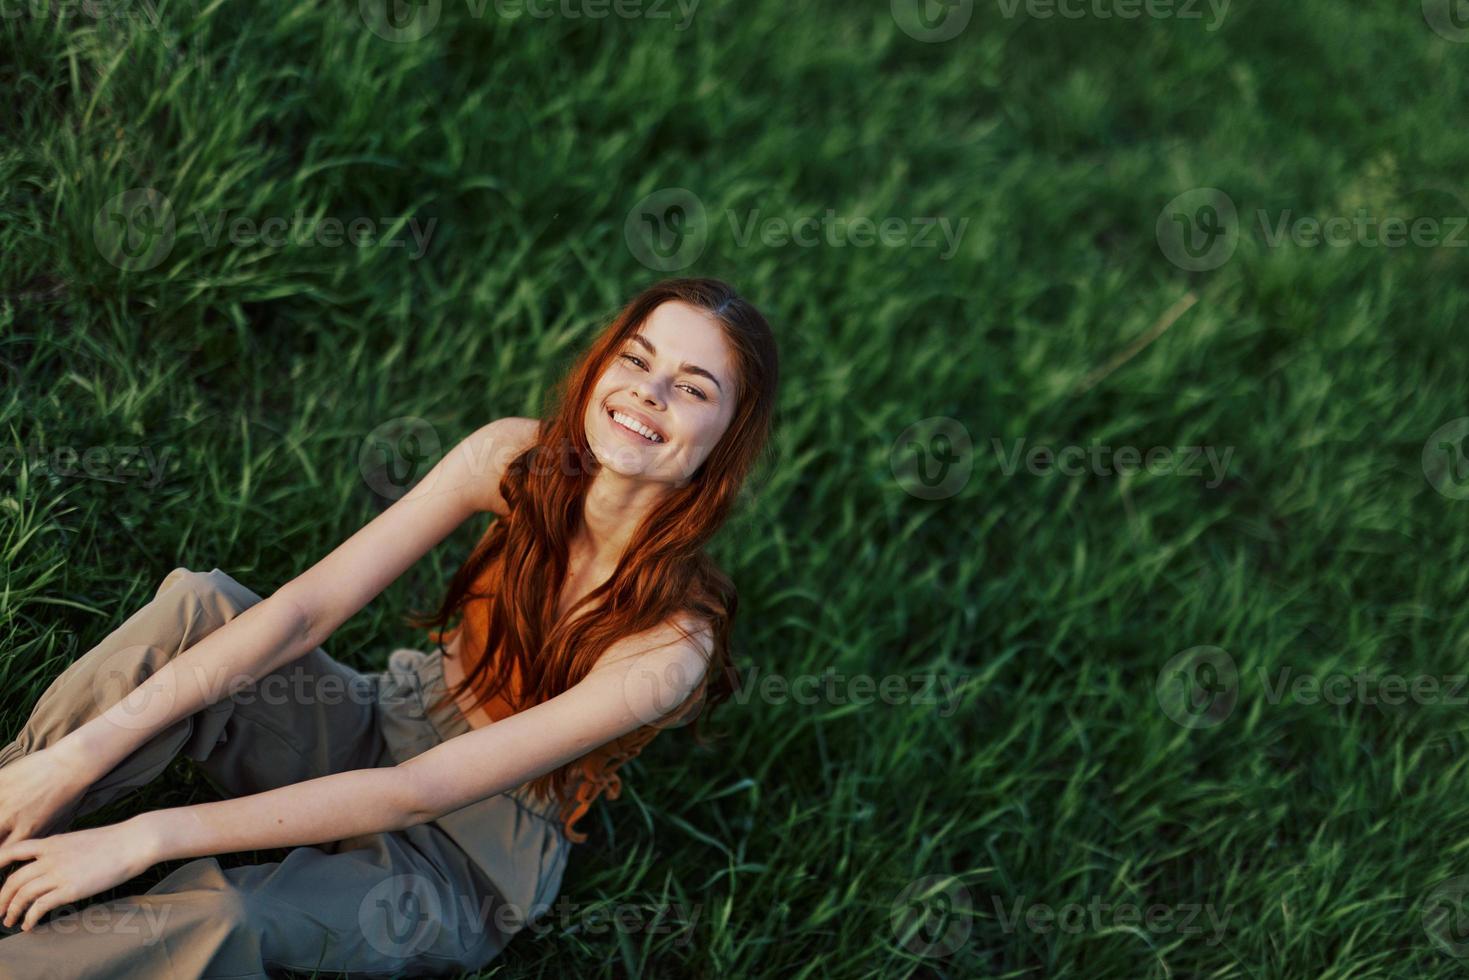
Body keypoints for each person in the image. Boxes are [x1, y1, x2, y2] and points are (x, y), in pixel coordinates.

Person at [0, 277, 780, 977]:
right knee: (203, 608)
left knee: (226, 916)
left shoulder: (670, 645)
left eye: (692, 388)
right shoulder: (514, 459)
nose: (648, 393)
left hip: (461, 859)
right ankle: (18, 813)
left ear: (726, 439)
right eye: (637, 360)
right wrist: (78, 756)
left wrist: (148, 835)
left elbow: (417, 794)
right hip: (386, 720)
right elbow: (305, 612)